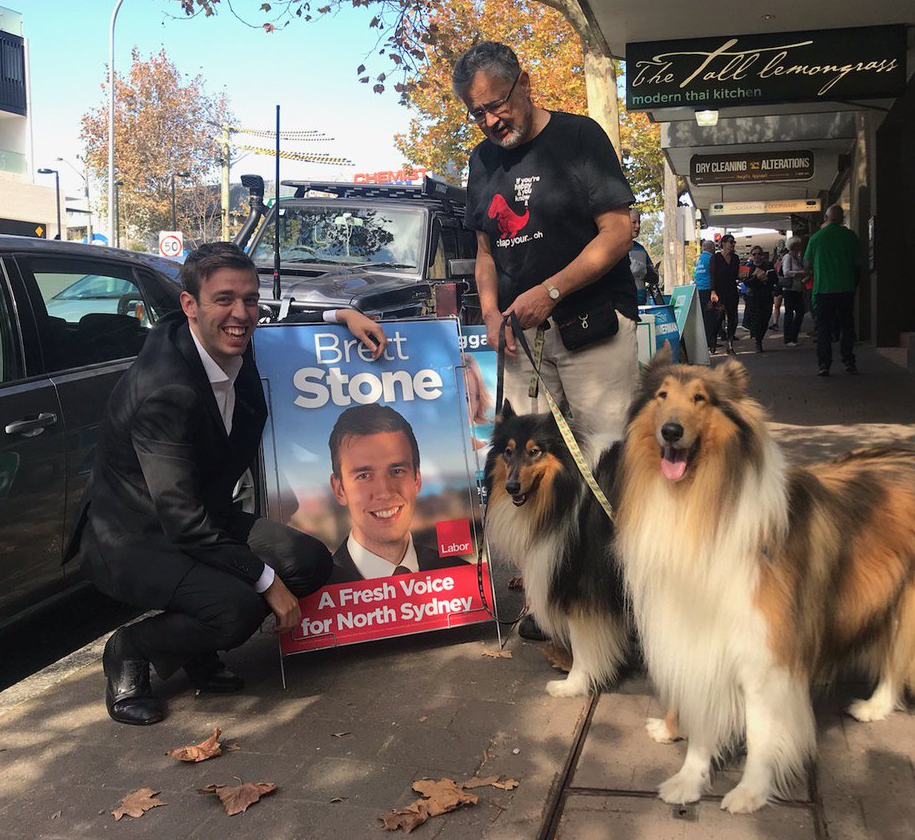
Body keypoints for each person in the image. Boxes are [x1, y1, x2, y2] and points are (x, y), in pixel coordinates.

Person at [66, 242, 388, 726]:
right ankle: (131, 649)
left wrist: (342, 313)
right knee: (235, 609)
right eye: (224, 300)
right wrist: (265, 581)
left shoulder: (230, 335)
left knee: (308, 560)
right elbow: (181, 520)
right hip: (137, 535)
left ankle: (197, 647)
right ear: (189, 305)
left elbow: (282, 314)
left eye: (250, 299)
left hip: (204, 514)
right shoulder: (164, 392)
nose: (242, 313)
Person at [453, 40, 637, 438]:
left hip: (594, 327)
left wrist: (549, 292)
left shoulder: (580, 136)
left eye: (496, 104)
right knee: (528, 471)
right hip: (520, 338)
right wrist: (489, 314)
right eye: (477, 113)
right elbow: (485, 252)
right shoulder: (480, 161)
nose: (490, 121)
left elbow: (618, 233)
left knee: (608, 459)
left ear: (525, 83)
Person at [328, 404, 467, 582]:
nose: (385, 492)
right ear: (339, 489)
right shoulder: (318, 592)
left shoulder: (462, 573)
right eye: (364, 476)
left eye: (397, 471)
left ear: (417, 478)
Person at [805, 204, 862, 376]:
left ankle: (824, 364)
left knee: (823, 328)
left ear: (825, 218)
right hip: (846, 288)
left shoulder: (816, 238)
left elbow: (807, 264)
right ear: (842, 219)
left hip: (823, 289)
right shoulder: (850, 237)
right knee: (847, 325)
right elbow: (859, 262)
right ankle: (848, 360)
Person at [709, 234, 742, 355]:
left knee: (732, 318)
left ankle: (729, 343)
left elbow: (736, 274)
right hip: (719, 292)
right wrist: (713, 291)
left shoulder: (735, 258)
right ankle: (713, 340)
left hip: (732, 290)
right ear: (723, 243)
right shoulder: (716, 258)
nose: (733, 244)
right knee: (719, 317)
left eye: (734, 242)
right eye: (731, 242)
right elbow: (712, 275)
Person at [742, 245, 776, 353]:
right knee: (756, 319)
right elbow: (746, 282)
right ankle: (758, 342)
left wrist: (766, 279)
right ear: (751, 255)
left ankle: (759, 336)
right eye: (754, 254)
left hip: (766, 296)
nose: (756, 256)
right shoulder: (747, 266)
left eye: (759, 254)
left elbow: (775, 280)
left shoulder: (768, 265)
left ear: (762, 255)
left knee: (765, 318)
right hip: (753, 297)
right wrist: (757, 277)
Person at [780, 237, 808, 346]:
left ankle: (793, 336)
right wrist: (800, 273)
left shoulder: (797, 258)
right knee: (790, 313)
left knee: (800, 312)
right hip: (790, 289)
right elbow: (786, 272)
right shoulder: (788, 257)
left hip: (798, 288)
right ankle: (788, 338)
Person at [627, 208, 658, 306]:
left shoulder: (640, 249)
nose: (638, 226)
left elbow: (655, 279)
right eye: (634, 222)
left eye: (639, 222)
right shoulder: (613, 247)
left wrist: (645, 271)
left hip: (641, 305)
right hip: (622, 307)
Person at [693, 238, 718, 343]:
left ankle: (706, 340)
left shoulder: (699, 260)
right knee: (711, 316)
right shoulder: (711, 258)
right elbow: (714, 274)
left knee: (704, 315)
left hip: (700, 289)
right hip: (709, 290)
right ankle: (710, 340)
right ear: (712, 248)